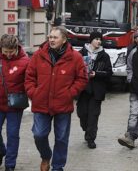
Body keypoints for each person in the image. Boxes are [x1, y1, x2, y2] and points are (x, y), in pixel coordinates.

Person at [25, 26, 88, 171]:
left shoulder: (75, 57)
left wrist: (70, 93)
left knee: (61, 138)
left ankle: (58, 166)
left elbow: (82, 78)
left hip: (63, 105)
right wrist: (33, 93)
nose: (51, 40)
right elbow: (29, 77)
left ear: (64, 39)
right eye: (50, 37)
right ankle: (46, 156)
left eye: (55, 37)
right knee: (39, 134)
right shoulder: (38, 55)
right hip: (41, 103)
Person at [76, 32, 112, 149]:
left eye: (100, 39)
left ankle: (91, 138)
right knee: (82, 114)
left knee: (93, 115)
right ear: (91, 40)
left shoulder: (104, 56)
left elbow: (109, 73)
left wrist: (96, 74)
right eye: (96, 39)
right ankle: (86, 129)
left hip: (97, 90)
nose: (99, 41)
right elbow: (74, 69)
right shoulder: (81, 53)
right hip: (83, 89)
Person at [0, 34, 30, 171]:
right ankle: (1, 151)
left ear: (16, 48)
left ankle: (10, 165)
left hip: (15, 105)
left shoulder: (25, 61)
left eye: (11, 52)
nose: (8, 55)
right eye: (5, 52)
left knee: (12, 134)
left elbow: (30, 82)